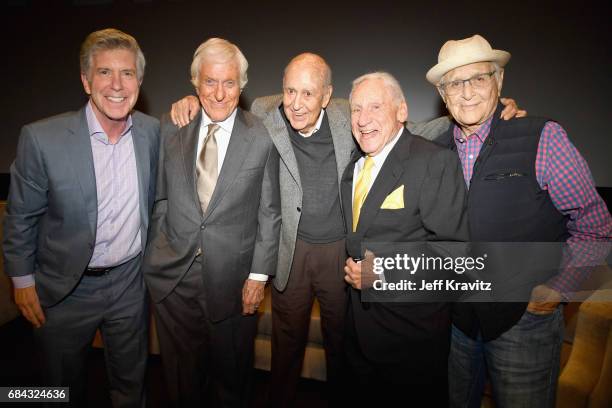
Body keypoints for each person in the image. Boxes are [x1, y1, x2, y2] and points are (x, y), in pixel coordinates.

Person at [170, 52, 523, 407]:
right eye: (290, 91)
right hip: (291, 249)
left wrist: (483, 110)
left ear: (326, 96)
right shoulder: (265, 111)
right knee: (286, 346)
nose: (296, 103)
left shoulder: (349, 115)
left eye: (308, 94)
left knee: (344, 345)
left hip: (340, 253)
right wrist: (192, 101)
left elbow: (409, 128)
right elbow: (223, 107)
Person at [426, 34, 612, 407]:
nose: (466, 93)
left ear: (499, 81)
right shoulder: (434, 148)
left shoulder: (543, 138)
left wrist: (558, 290)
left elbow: (596, 225)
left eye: (478, 78)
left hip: (524, 324)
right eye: (454, 84)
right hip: (457, 324)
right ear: (443, 96)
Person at [3, 28, 159, 407]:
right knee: (58, 387)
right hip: (62, 290)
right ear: (86, 80)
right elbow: (21, 216)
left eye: (127, 73)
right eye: (105, 72)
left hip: (128, 284)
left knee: (130, 384)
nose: (117, 85)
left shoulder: (154, 133)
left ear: (139, 81)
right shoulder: (42, 138)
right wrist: (22, 281)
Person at [142, 37, 280, 407]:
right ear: (195, 83)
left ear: (242, 84)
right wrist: (156, 257)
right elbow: (159, 198)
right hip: (174, 282)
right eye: (210, 82)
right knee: (180, 384)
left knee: (232, 383)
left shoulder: (261, 136)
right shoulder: (170, 128)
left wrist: (257, 276)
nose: (219, 94)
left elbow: (270, 211)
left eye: (229, 83)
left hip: (234, 286)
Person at [342, 71, 469, 406]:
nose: (363, 119)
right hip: (358, 333)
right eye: (356, 109)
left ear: (401, 111)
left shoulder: (434, 162)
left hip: (410, 339)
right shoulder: (353, 168)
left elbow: (453, 257)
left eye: (374, 107)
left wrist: (379, 273)